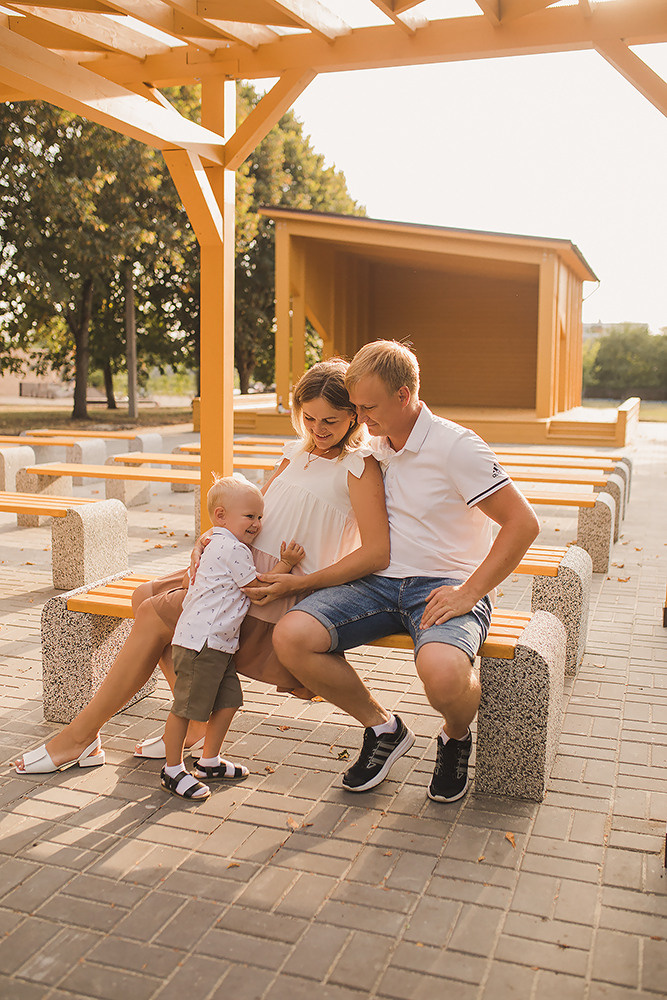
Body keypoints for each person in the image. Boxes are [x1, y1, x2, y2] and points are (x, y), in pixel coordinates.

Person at [14, 359, 389, 774]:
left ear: (353, 415)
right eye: (310, 417)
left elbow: (376, 553)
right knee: (144, 595)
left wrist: (297, 583)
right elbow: (253, 509)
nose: (318, 429)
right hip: (235, 564)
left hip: (272, 587)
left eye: (330, 421)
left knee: (153, 614)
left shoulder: (359, 466)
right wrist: (212, 537)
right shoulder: (296, 452)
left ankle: (81, 737)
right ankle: (194, 722)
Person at [267, 340, 540, 803]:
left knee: (444, 675)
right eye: (356, 407)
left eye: (368, 407)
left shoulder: (457, 447)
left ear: (404, 394)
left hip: (444, 585)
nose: (360, 417)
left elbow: (523, 524)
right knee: (292, 636)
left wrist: (470, 592)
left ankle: (455, 737)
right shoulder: (374, 444)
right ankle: (383, 729)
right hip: (376, 584)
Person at [161, 476, 304, 802]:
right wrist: (287, 564)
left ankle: (209, 761)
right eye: (249, 516)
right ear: (221, 516)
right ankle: (172, 769)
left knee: (228, 701)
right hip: (202, 642)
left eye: (260, 517)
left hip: (218, 643)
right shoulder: (232, 548)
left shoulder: (216, 542)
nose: (257, 524)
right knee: (185, 708)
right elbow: (257, 588)